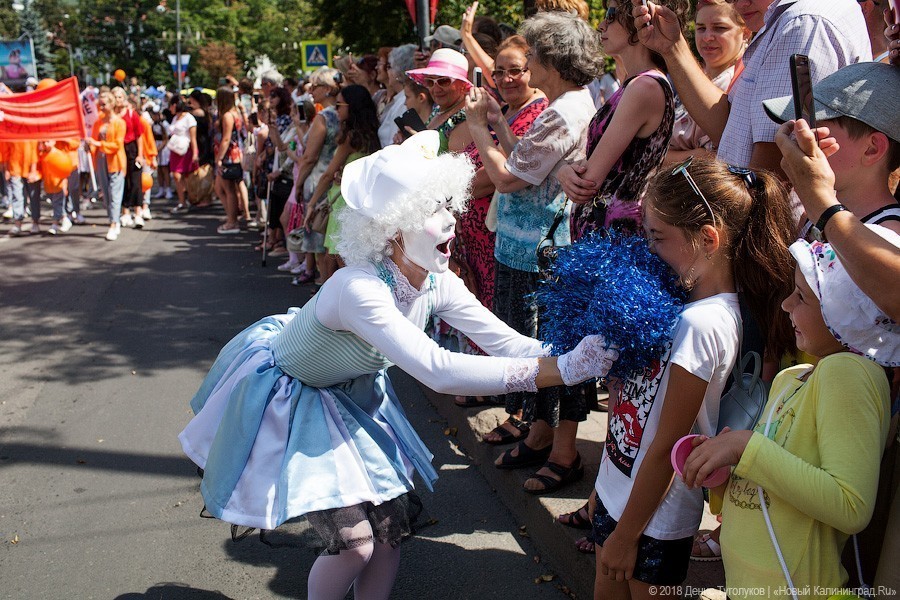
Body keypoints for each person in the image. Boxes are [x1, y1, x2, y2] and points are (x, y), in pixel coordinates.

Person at [178, 130, 619, 600]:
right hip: (294, 401)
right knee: (354, 546)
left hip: (358, 398)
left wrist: (579, 351)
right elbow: (438, 369)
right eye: (433, 210)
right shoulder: (358, 289)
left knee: (388, 535)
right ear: (391, 228)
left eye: (449, 205)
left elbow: (507, 342)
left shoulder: (434, 280)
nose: (451, 220)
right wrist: (562, 369)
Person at [591, 156, 796, 596]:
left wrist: (626, 535)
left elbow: (666, 444)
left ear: (707, 239)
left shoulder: (703, 324)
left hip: (653, 519)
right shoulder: (682, 305)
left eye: (658, 237)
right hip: (620, 493)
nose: (648, 249)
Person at [681, 232, 895, 600]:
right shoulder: (791, 377)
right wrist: (724, 473)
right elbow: (775, 482)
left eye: (802, 296)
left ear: (845, 310)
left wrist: (745, 446)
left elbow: (850, 505)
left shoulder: (848, 372)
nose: (785, 305)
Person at [464, 11, 600, 478]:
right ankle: (542, 436)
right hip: (534, 247)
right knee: (540, 351)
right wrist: (501, 124)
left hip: (543, 251)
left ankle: (561, 451)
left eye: (534, 55)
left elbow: (505, 178)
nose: (528, 64)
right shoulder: (570, 103)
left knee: (549, 352)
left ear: (552, 60)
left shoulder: (563, 110)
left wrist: (478, 126)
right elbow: (528, 162)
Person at [632, 0, 871, 175]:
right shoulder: (797, 18)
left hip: (768, 230)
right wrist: (672, 47)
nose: (737, 3)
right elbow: (732, 129)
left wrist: (735, 228)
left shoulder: (803, 22)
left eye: (720, 28)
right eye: (701, 27)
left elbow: (773, 165)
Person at [559, 0, 686, 235]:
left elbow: (589, 182)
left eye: (610, 15)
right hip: (610, 236)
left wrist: (565, 171)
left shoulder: (644, 86)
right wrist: (566, 170)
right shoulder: (636, 83)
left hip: (616, 241)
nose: (600, 25)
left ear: (640, 21)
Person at [763, 61, 900, 238]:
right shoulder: (812, 217)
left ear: (872, 149)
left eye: (816, 132)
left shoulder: (889, 233)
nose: (801, 140)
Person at [304, 84, 380, 286]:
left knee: (335, 259)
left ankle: (332, 307)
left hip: (342, 201)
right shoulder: (373, 134)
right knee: (352, 260)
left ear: (351, 107)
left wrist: (311, 203)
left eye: (339, 105)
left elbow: (328, 174)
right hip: (360, 200)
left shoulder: (350, 137)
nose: (335, 110)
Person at [664, 0, 748, 166]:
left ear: (745, 33)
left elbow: (714, 159)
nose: (708, 37)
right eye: (701, 28)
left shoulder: (742, 82)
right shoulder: (689, 78)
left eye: (720, 28)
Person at [86, 91, 127, 242]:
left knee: (115, 193)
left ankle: (113, 223)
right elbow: (94, 140)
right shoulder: (99, 122)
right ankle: (113, 218)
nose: (101, 107)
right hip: (101, 160)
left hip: (115, 161)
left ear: (111, 104)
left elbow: (117, 145)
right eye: (100, 104)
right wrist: (89, 146)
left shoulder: (119, 122)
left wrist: (98, 144)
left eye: (104, 104)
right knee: (106, 194)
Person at [111, 86, 147, 229]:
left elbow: (140, 136)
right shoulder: (111, 116)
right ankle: (125, 212)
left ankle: (138, 212)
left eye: (120, 97)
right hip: (117, 150)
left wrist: (140, 154)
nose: (118, 99)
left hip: (132, 149)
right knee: (122, 182)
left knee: (136, 182)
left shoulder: (132, 114)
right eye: (115, 97)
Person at [213, 87, 246, 234]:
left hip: (229, 156)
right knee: (222, 188)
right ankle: (231, 218)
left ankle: (232, 222)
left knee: (228, 190)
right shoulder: (235, 112)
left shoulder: (227, 115)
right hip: (235, 154)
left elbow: (226, 139)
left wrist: (219, 158)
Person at [167, 96, 199, 214]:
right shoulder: (176, 117)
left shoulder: (189, 118)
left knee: (184, 176)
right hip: (175, 150)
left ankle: (187, 200)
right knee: (176, 176)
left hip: (186, 150)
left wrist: (195, 153)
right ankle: (182, 201)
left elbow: (193, 138)